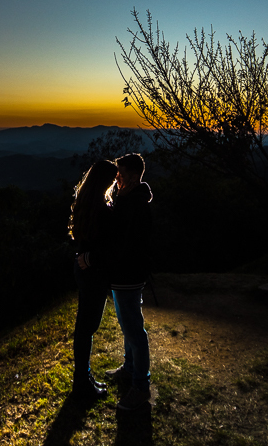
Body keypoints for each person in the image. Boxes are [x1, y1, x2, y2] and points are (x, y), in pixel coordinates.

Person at [102, 152, 153, 412]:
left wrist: (119, 201)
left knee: (134, 329)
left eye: (120, 174)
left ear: (133, 177)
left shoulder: (133, 203)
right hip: (124, 275)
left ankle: (140, 388)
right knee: (128, 324)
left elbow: (118, 234)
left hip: (128, 275)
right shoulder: (132, 200)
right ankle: (129, 368)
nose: (117, 179)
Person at [69, 160, 118, 399]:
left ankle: (83, 377)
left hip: (84, 269)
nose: (115, 183)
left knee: (84, 327)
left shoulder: (84, 202)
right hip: (93, 273)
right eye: (113, 179)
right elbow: (110, 246)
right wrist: (92, 257)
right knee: (87, 327)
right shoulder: (102, 209)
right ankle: (82, 383)